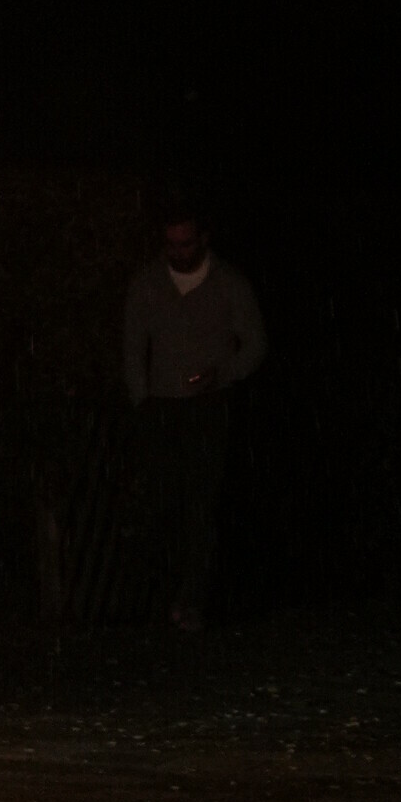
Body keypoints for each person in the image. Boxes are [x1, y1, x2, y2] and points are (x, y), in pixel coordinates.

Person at [120, 211, 265, 629]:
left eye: (186, 243)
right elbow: (133, 345)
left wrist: (221, 374)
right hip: (161, 408)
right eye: (171, 244)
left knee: (202, 504)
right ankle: (164, 597)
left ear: (203, 239)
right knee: (162, 503)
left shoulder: (228, 283)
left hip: (208, 407)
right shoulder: (148, 283)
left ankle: (193, 599)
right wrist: (142, 400)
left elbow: (255, 344)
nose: (179, 252)